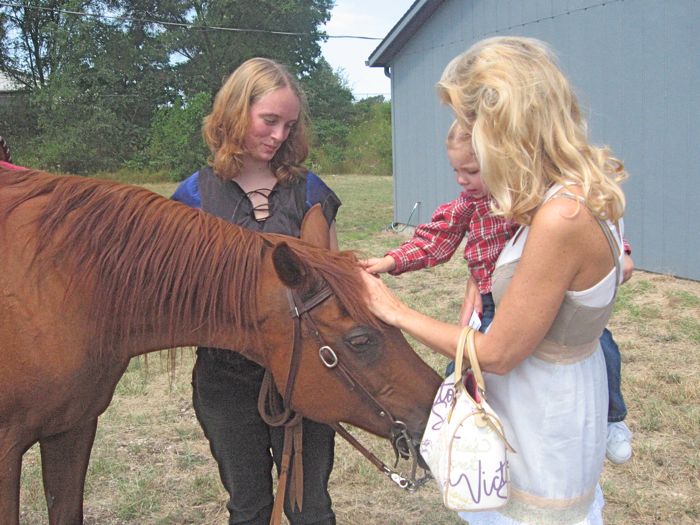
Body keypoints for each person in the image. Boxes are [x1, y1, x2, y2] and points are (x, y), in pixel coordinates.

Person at [360, 36, 628, 524]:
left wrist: (394, 311)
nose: (463, 136)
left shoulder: (560, 217)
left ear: (508, 131)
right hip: (550, 395)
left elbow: (500, 353)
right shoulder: (573, 193)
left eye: (471, 125)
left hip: (539, 412)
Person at [171, 57, 339, 525]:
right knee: (248, 508)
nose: (280, 136)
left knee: (309, 509)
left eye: (289, 125)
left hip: (303, 375)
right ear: (234, 113)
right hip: (225, 378)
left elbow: (326, 288)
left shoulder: (309, 192)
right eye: (269, 120)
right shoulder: (193, 197)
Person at [361, 119, 517, 343]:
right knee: (464, 364)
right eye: (456, 170)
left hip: (517, 297)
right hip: (486, 300)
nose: (461, 180)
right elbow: (437, 238)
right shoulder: (470, 202)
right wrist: (390, 261)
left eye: (472, 171)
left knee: (493, 357)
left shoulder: (522, 204)